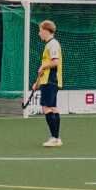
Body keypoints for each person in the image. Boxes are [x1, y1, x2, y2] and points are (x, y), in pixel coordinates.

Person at [33, 19, 63, 148]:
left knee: (46, 107)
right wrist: (38, 82)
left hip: (51, 80)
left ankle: (55, 138)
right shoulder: (50, 44)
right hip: (49, 80)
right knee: (53, 107)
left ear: (46, 31)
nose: (39, 33)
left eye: (40, 30)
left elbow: (55, 62)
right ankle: (57, 138)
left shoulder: (52, 44)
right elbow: (47, 66)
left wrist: (42, 66)